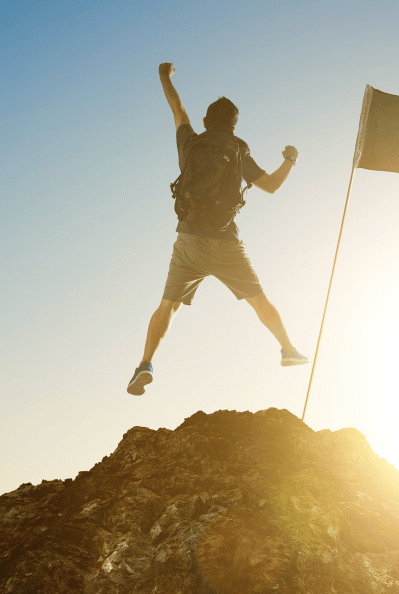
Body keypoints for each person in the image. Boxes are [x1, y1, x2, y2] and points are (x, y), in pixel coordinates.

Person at [128, 62, 309, 396]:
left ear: (208, 122)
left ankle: (145, 364)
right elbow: (269, 186)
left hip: (189, 239)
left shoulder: (190, 142)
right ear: (234, 126)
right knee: (259, 300)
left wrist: (163, 77)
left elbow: (178, 108)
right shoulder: (238, 149)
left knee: (167, 305)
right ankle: (287, 350)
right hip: (226, 241)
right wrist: (289, 160)